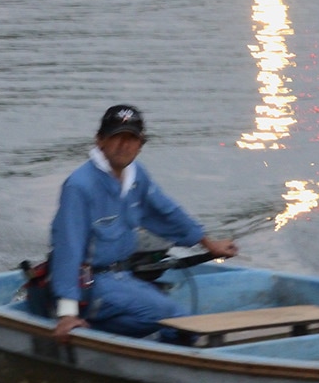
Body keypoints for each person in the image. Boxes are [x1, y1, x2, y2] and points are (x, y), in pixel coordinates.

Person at [49, 105, 240, 342]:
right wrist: (67, 313)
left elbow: (165, 212)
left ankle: (102, 335)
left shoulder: (136, 176)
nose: (124, 145)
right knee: (176, 318)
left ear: (140, 145)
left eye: (131, 139)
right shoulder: (80, 186)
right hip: (91, 284)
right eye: (116, 137)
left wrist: (208, 244)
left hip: (123, 276)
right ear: (100, 141)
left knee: (159, 313)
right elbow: (68, 248)